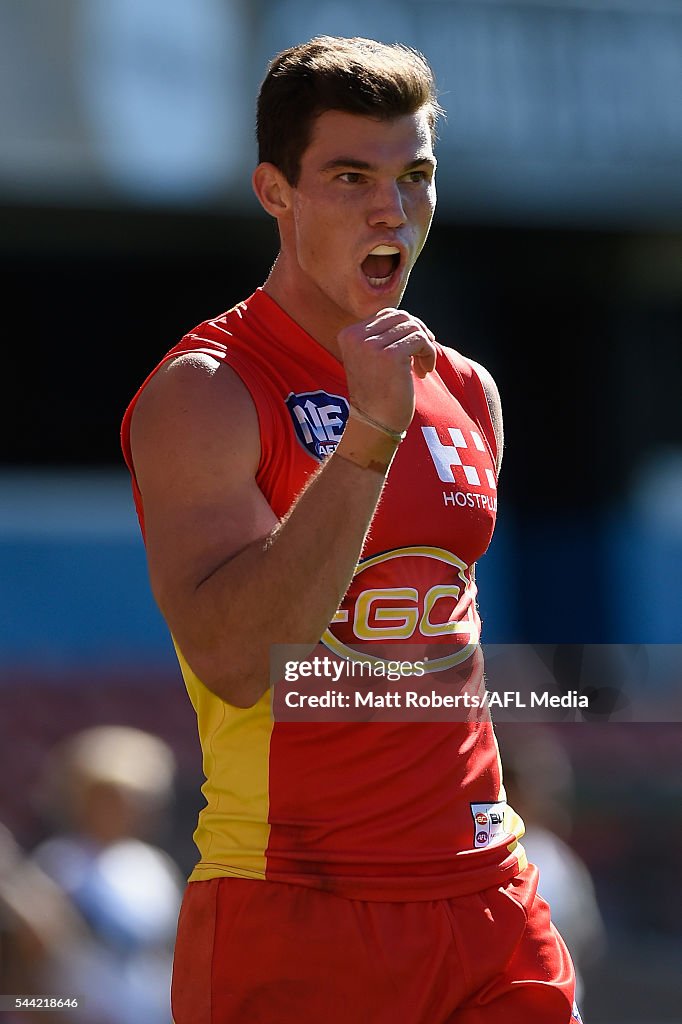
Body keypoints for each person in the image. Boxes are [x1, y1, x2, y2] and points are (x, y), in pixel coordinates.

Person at [121, 35, 582, 1024]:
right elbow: (242, 659)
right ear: (273, 192)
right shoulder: (208, 391)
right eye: (349, 176)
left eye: (415, 175)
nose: (393, 210)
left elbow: (430, 637)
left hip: (487, 897)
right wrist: (370, 431)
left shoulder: (465, 389)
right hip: (298, 903)